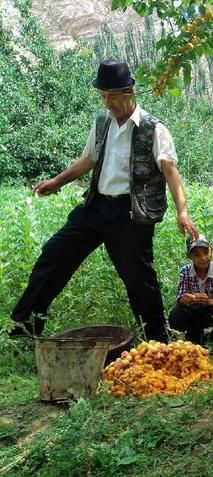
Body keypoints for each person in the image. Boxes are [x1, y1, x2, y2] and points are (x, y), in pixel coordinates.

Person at [9, 59, 197, 341]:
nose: (107, 102)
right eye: (103, 96)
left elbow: (170, 171)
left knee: (139, 280)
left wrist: (183, 212)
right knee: (54, 256)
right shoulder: (101, 124)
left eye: (112, 96)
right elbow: (88, 160)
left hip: (131, 215)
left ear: (129, 92)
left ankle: (158, 343)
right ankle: (24, 330)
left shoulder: (153, 128)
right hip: (95, 208)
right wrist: (56, 181)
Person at [168, 235, 213, 345]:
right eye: (197, 255)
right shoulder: (185, 271)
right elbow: (180, 296)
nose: (203, 258)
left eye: (206, 253)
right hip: (194, 311)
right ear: (189, 256)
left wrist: (209, 302)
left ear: (212, 251)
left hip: (212, 310)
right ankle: (195, 336)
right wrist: (185, 299)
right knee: (176, 315)